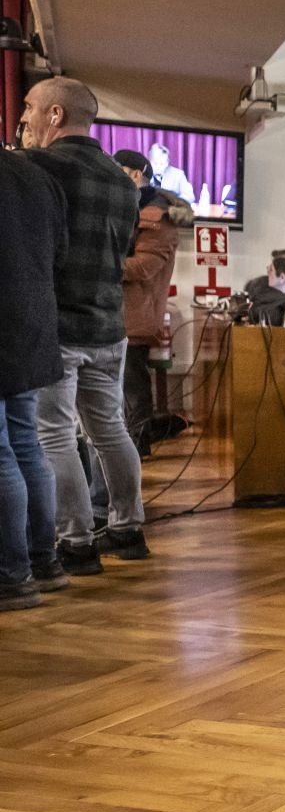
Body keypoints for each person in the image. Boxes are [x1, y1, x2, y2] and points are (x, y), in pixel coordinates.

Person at [20, 78, 145, 574]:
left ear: (55, 115)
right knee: (109, 429)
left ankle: (75, 543)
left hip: (58, 326)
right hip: (109, 325)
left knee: (53, 434)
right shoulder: (122, 180)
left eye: (29, 108)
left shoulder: (37, 167)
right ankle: (128, 529)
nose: (23, 118)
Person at [0, 150, 68, 608]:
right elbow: (59, 254)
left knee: (4, 451)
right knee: (26, 442)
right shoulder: (38, 175)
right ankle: (45, 562)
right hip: (32, 322)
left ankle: (12, 575)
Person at [118, 152, 190, 458]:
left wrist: (99, 265)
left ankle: (138, 445)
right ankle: (132, 445)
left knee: (132, 385)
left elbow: (144, 267)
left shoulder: (156, 215)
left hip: (135, 312)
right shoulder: (134, 209)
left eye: (118, 171)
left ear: (136, 175)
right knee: (123, 387)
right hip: (122, 311)